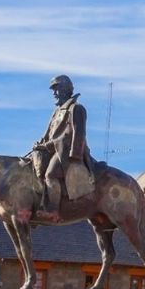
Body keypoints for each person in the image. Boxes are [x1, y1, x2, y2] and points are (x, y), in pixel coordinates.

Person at [28, 74, 91, 218]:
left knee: (50, 174)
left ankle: (53, 210)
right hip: (54, 149)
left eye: (57, 89)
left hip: (66, 151)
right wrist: (40, 144)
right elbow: (48, 133)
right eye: (53, 91)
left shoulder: (76, 108)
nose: (54, 94)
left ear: (66, 89)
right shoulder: (56, 112)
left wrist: (74, 156)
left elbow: (77, 134)